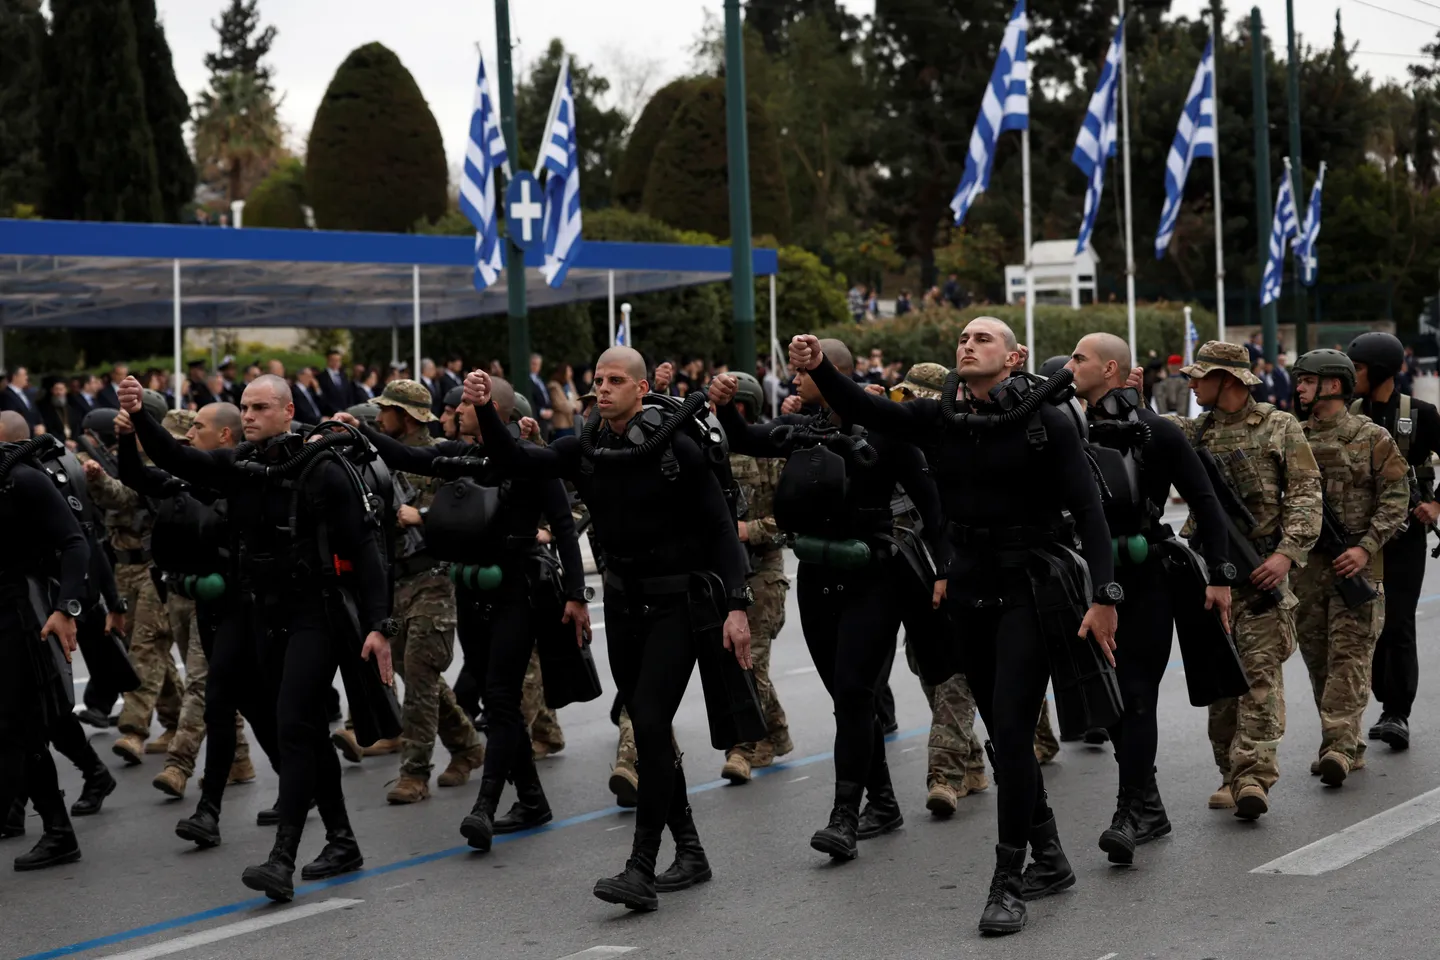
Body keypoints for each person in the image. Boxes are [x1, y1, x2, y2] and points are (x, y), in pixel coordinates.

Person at [789, 319, 1119, 936]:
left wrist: (1106, 595)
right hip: (968, 588)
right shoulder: (939, 418)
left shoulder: (1047, 422)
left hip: (1029, 588)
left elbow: (1090, 511)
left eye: (983, 339)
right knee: (998, 730)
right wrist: (821, 368)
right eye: (963, 339)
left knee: (1015, 733)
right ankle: (1049, 855)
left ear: (1013, 356)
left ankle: (1008, 881)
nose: (968, 345)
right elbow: (866, 406)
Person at [463, 350, 751, 913]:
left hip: (677, 604)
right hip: (622, 606)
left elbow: (720, 528)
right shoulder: (584, 448)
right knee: (648, 730)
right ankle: (689, 849)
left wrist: (738, 606)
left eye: (616, 380)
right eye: (597, 380)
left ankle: (640, 867)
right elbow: (518, 459)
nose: (604, 388)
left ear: (642, 387)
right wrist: (485, 411)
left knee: (647, 720)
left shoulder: (678, 446)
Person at [119, 373, 394, 902]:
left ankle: (282, 857)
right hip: (265, 614)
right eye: (244, 407)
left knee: (293, 724)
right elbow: (179, 463)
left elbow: (366, 550)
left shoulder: (323, 468)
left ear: (289, 410)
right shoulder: (241, 466)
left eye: (260, 407)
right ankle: (342, 839)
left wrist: (381, 626)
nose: (248, 416)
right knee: (306, 732)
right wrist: (139, 418)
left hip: (318, 611)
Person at [713, 341, 947, 864]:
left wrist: (943, 569)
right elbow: (747, 437)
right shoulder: (804, 428)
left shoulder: (885, 431)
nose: (794, 381)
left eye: (803, 373)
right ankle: (882, 803)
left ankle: (844, 814)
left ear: (832, 372)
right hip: (818, 576)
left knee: (853, 690)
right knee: (848, 700)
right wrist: (725, 405)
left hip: (875, 577)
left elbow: (933, 505)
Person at [340, 377, 585, 851]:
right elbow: (410, 457)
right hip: (472, 593)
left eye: (467, 406)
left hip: (518, 591)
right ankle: (532, 799)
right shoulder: (464, 454)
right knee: (499, 703)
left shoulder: (531, 457)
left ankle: (486, 806)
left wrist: (575, 594)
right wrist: (360, 432)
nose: (454, 412)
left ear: (490, 408)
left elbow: (564, 528)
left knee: (499, 700)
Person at [1065, 334, 1232, 863]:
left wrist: (1220, 576)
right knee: (1108, 703)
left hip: (1148, 576)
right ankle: (1150, 800)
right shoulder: (1061, 429)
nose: (1069, 366)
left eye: (1079, 358)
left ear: (1111, 368)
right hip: (1088, 581)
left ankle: (1130, 811)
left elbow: (1206, 500)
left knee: (1136, 693)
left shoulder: (1158, 432)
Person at [1169, 341, 1321, 820]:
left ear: (1228, 381)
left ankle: (1254, 775)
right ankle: (1229, 773)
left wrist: (1285, 556)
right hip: (1215, 578)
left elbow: (1305, 496)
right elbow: (1149, 434)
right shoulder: (1195, 433)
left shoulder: (1279, 426)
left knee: (1258, 681)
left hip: (1263, 575)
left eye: (1200, 377)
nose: (1191, 385)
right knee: (1220, 687)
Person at [332, 380, 485, 804]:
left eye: (387, 410)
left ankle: (414, 773)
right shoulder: (376, 458)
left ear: (409, 415)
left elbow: (467, 507)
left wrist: (422, 515)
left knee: (420, 672)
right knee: (415, 674)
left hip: (434, 578)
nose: (379, 417)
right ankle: (468, 745)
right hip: (392, 582)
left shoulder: (441, 454)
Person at [1289, 349, 1408, 786]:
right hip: (1308, 572)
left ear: (1332, 385)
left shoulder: (1371, 436)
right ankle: (1345, 742)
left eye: (1306, 380)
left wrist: (1366, 546)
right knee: (1319, 660)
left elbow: (1397, 496)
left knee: (1350, 659)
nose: (1298, 387)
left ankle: (1337, 747)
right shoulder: (1292, 437)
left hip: (1356, 567)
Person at [0, 428, 89, 871]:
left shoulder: (20, 479)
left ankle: (57, 831)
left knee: (20, 724)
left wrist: (65, 608)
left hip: (15, 617)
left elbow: (74, 542)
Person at [1347, 332, 1440, 751]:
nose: (1353, 376)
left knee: (1398, 622)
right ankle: (1356, 713)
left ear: (1380, 371)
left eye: (1360, 369)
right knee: (1361, 626)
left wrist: (1435, 505)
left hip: (1403, 539)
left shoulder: (1419, 414)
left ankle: (1396, 712)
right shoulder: (1342, 415)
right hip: (1354, 539)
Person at [81, 390, 183, 765]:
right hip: (123, 567)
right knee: (150, 651)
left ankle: (134, 730)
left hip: (155, 568)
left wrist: (97, 479)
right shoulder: (118, 456)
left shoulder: (161, 460)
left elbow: (123, 495)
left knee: (146, 646)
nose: (120, 420)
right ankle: (176, 722)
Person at [0, 366, 42, 435]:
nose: (27, 377)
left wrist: (41, 424)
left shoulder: (27, 393)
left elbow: (35, 411)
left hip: (34, 436)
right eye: (24, 375)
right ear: (15, 376)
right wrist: (33, 428)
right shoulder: (6, 395)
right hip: (20, 436)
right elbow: (12, 417)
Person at [547, 363, 581, 440]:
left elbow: (578, 398)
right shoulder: (554, 386)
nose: (571, 373)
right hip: (561, 424)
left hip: (571, 423)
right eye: (569, 371)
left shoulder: (570, 384)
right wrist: (574, 407)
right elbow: (559, 404)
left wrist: (577, 406)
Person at [318, 349, 350, 415]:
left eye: (338, 360)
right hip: (330, 414)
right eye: (333, 360)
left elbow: (349, 394)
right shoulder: (321, 377)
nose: (336, 362)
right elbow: (323, 398)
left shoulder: (344, 375)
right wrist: (336, 411)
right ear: (328, 360)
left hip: (346, 413)